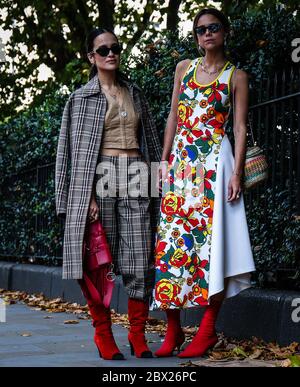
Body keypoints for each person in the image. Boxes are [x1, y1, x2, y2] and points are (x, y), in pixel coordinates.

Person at [150, 8, 256, 358]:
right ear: (195, 37)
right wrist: (164, 160)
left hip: (216, 166)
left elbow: (239, 128)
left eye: (213, 28)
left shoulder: (235, 76)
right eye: (200, 30)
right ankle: (174, 329)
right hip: (182, 166)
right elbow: (173, 115)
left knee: (216, 246)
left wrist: (237, 173)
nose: (206, 34)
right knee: (172, 244)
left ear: (224, 32)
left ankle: (208, 329)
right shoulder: (185, 68)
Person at [55, 28, 162, 360]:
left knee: (140, 260)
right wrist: (81, 197)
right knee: (98, 261)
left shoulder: (136, 93)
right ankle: (103, 335)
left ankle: (137, 334)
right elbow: (67, 152)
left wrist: (162, 183)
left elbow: (154, 144)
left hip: (136, 175)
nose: (111, 54)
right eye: (103, 50)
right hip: (100, 178)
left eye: (116, 48)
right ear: (92, 57)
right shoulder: (79, 99)